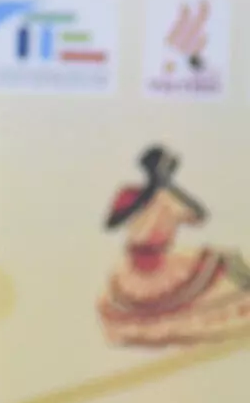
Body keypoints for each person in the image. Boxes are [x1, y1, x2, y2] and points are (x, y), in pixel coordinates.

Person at [98, 145, 250, 347]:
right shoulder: (130, 193)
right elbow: (111, 222)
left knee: (226, 257)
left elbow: (200, 214)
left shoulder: (169, 196)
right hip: (137, 263)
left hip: (164, 257)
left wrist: (169, 186)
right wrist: (149, 191)